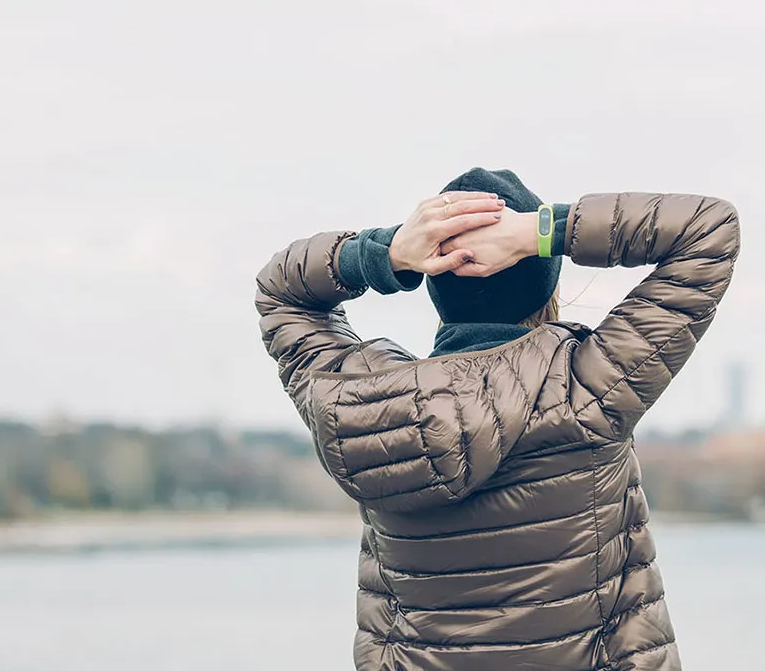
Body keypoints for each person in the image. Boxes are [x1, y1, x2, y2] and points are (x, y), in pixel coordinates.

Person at [255, 168, 740, 671]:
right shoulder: (589, 387)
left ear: (435, 284)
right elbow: (707, 229)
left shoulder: (360, 406)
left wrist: (388, 253)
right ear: (541, 281)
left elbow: (281, 292)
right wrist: (539, 232)